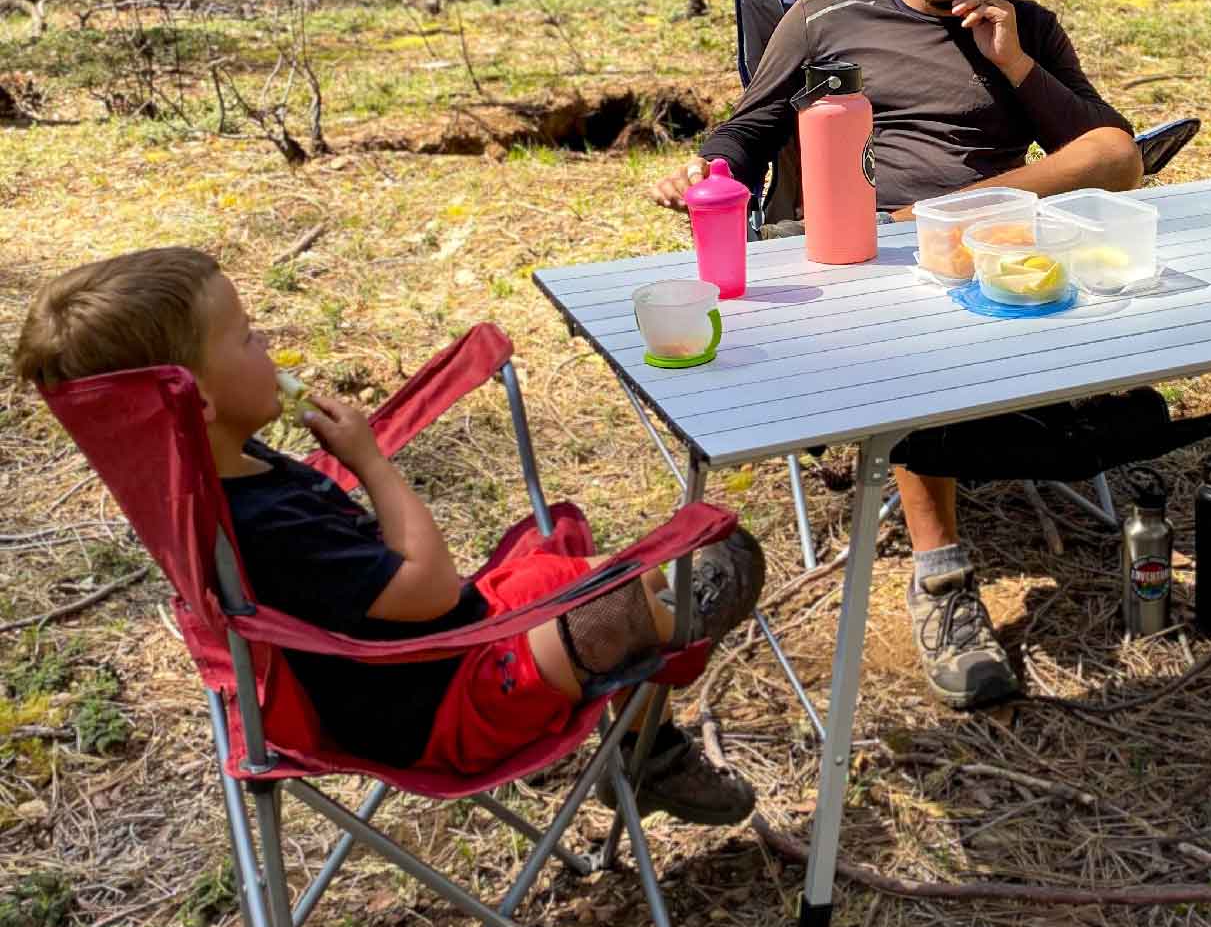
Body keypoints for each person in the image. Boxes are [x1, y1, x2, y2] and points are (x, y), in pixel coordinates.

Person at [650, 0, 1166, 711]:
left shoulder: (1026, 29)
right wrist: (709, 174)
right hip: (859, 252)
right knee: (918, 367)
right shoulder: (826, 16)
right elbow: (749, 126)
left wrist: (1013, 73)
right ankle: (941, 580)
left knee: (1126, 364)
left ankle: (1073, 432)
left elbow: (1116, 155)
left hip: (991, 249)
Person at [13, 247, 765, 824]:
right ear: (198, 399)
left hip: (455, 643)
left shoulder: (221, 484)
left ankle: (642, 743)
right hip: (448, 701)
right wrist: (370, 462)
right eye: (245, 337)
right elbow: (429, 585)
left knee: (638, 574)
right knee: (715, 568)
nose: (266, 341)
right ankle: (643, 753)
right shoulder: (263, 524)